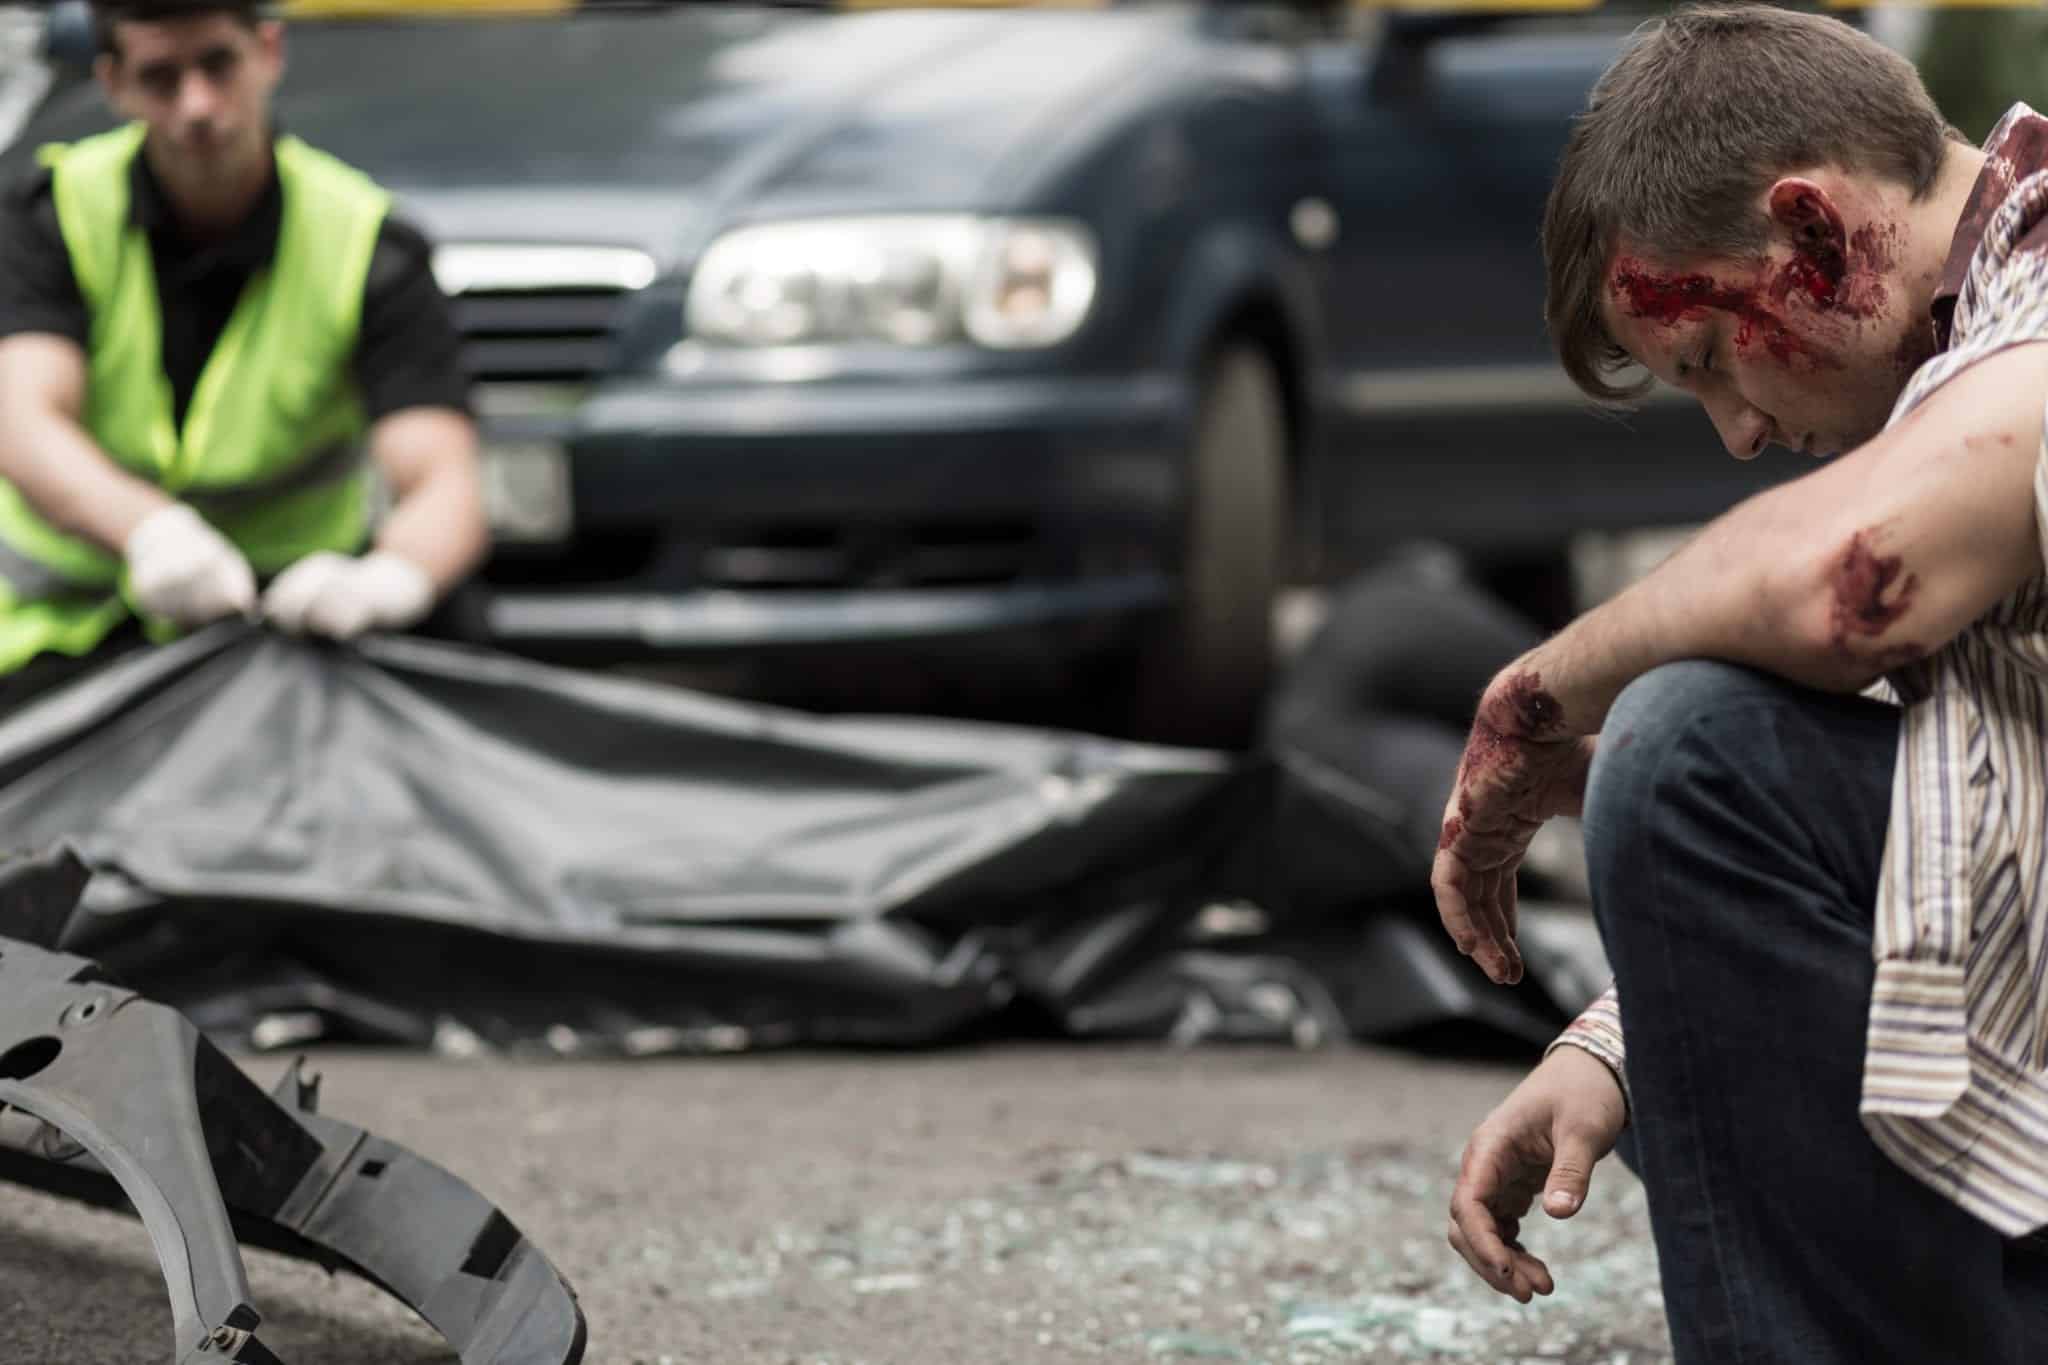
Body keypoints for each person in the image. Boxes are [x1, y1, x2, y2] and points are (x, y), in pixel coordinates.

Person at [1430, 6, 2048, 1362]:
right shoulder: (1962, 357)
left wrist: (1539, 692)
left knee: (1687, 743)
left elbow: (1847, 581)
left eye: (1711, 361)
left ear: (1816, 232)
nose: (1742, 432)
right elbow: (1957, 773)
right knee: (1713, 747)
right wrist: (1624, 1043)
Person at [0, 0, 484, 708]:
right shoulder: (54, 214)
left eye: (217, 65)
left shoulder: (365, 244)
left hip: (289, 629)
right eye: (160, 77)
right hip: (69, 634)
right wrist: (151, 531)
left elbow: (445, 480)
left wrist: (387, 581)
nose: (196, 106)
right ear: (115, 84)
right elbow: (23, 420)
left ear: (268, 52)